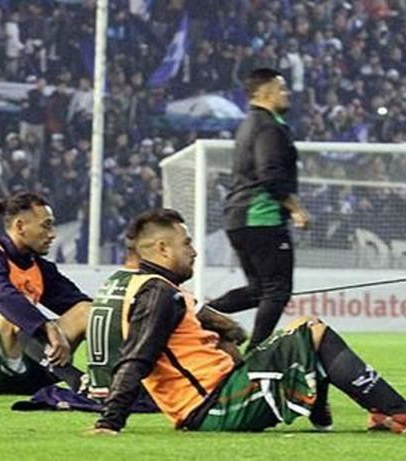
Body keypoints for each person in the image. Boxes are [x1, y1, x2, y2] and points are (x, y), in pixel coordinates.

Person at [88, 208, 406, 434]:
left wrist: (225, 330)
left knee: (303, 326)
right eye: (186, 244)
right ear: (162, 249)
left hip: (216, 396)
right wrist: (109, 422)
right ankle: (396, 411)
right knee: (314, 332)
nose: (195, 252)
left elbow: (202, 325)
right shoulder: (159, 294)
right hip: (213, 407)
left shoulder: (158, 288)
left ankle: (370, 412)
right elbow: (137, 359)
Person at [207, 68, 310, 350]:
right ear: (265, 93)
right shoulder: (268, 127)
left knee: (258, 291)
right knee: (277, 290)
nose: (286, 94)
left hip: (239, 218)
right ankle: (257, 352)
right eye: (282, 88)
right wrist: (296, 209)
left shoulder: (251, 123)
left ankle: (199, 315)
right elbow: (271, 174)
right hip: (260, 217)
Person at [0, 192, 91, 395]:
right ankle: (75, 379)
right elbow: (2, 297)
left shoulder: (39, 267)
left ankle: (110, 381)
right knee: (12, 312)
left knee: (86, 311)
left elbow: (78, 303)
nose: (52, 234)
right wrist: (46, 326)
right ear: (19, 226)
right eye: (46, 225)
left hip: (28, 369)